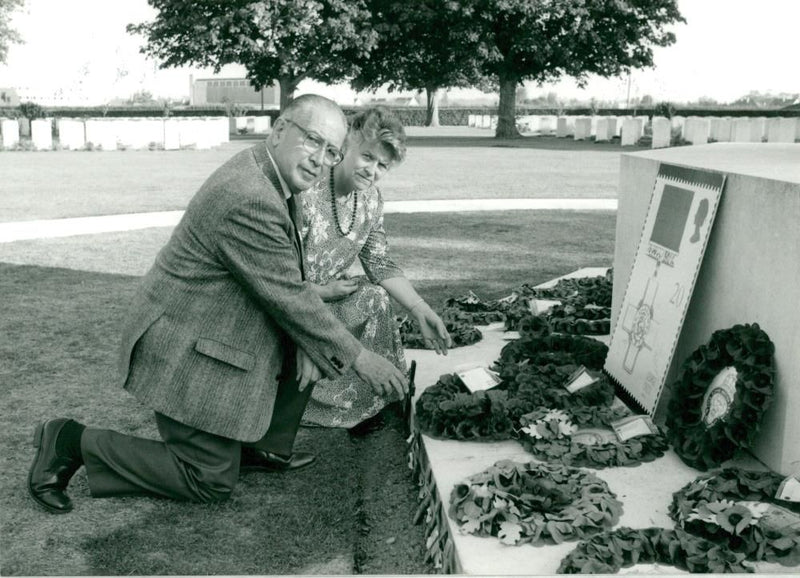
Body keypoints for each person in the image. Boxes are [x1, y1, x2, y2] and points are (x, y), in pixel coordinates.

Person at [27, 95, 407, 514]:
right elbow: (289, 295)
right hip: (183, 345)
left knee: (313, 338)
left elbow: (291, 290)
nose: (320, 159)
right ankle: (69, 440)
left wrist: (313, 340)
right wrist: (361, 358)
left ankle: (261, 446)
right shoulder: (251, 197)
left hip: (216, 325)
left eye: (331, 150)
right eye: (313, 141)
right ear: (279, 130)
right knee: (209, 479)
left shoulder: (276, 176)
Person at [298, 107, 452, 429]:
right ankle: (321, 401)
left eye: (382, 165)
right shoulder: (306, 193)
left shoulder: (370, 200)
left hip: (328, 303)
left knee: (375, 297)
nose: (372, 170)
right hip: (293, 309)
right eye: (367, 157)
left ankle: (375, 394)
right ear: (347, 143)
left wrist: (419, 309)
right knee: (366, 299)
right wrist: (321, 292)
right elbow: (276, 278)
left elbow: (379, 261)